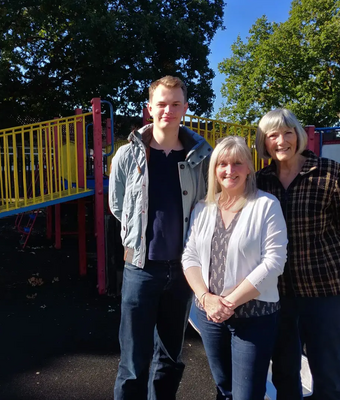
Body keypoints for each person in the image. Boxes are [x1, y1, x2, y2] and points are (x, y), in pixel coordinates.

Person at [109, 75, 212, 400]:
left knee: (170, 359)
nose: (168, 110)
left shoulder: (200, 158)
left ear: (184, 108)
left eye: (175, 104)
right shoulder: (128, 156)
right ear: (149, 108)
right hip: (141, 269)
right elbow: (118, 205)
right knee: (133, 365)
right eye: (162, 103)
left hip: (183, 271)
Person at [255, 109, 340, 400]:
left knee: (328, 371)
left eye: (287, 132)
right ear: (263, 142)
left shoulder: (331, 173)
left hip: (327, 290)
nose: (281, 141)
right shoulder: (259, 181)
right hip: (278, 293)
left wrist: (323, 260)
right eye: (272, 135)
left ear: (299, 135)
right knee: (284, 371)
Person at [182, 136, 288, 400]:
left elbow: (274, 262)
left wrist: (227, 303)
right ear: (214, 169)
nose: (230, 170)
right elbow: (190, 255)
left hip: (254, 316)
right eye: (223, 164)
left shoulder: (265, 205)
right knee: (224, 387)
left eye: (237, 163)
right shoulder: (203, 208)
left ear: (249, 168)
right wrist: (206, 298)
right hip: (210, 316)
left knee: (247, 394)